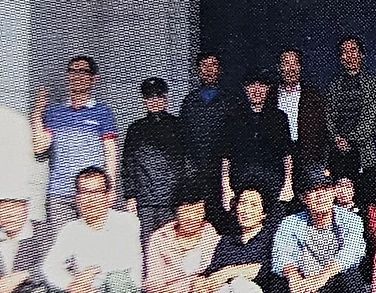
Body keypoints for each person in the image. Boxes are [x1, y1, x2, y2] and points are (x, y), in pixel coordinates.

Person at [42, 165, 144, 293]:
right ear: (77, 197)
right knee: (58, 287)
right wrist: (73, 285)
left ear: (108, 196)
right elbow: (49, 267)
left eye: (96, 192)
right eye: (84, 192)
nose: (90, 199)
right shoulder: (71, 229)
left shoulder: (127, 223)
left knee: (117, 280)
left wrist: (87, 279)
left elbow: (124, 266)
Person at [272, 164, 368, 293]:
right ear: (304, 198)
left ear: (333, 191)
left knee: (353, 277)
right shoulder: (290, 223)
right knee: (280, 280)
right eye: (313, 191)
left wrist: (321, 277)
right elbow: (281, 255)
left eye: (325, 189)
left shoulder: (351, 220)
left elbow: (354, 252)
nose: (320, 196)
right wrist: (294, 279)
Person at [31, 56, 119, 231]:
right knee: (62, 243)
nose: (77, 76)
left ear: (94, 79)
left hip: (93, 192)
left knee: (94, 241)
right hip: (60, 193)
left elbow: (110, 152)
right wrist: (38, 111)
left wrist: (111, 187)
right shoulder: (54, 112)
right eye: (72, 71)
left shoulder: (103, 111)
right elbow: (39, 147)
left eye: (83, 71)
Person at [120, 77, 192, 253]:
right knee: (146, 247)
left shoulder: (179, 126)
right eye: (150, 97)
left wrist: (187, 196)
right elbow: (128, 165)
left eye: (159, 96)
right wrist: (130, 196)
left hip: (172, 199)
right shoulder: (135, 129)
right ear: (144, 100)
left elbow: (188, 163)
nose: (154, 101)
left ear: (166, 98)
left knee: (172, 247)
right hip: (145, 201)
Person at [221, 69, 292, 214]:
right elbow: (225, 156)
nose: (257, 90)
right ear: (245, 89)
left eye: (262, 86)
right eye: (252, 86)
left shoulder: (279, 117)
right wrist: (226, 188)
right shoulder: (232, 118)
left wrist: (288, 183)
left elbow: (287, 154)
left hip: (272, 183)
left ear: (268, 89)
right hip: (241, 182)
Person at [326, 36, 376, 182]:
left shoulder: (372, 84)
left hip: (363, 153)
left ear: (361, 55)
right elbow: (329, 116)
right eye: (344, 52)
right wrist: (336, 139)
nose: (349, 56)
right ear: (340, 58)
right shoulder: (334, 85)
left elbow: (370, 119)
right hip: (338, 152)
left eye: (353, 50)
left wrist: (349, 140)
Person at [179, 52, 233, 200]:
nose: (209, 69)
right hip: (195, 174)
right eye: (204, 65)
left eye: (213, 65)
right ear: (198, 70)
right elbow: (182, 138)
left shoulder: (230, 101)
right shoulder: (189, 102)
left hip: (222, 174)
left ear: (219, 69)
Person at [273, 46, 328, 174]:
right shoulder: (271, 96)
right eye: (287, 63)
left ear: (300, 67)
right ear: (279, 68)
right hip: (278, 160)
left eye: (295, 64)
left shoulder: (313, 95)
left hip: (308, 159)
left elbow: (323, 130)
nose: (291, 69)